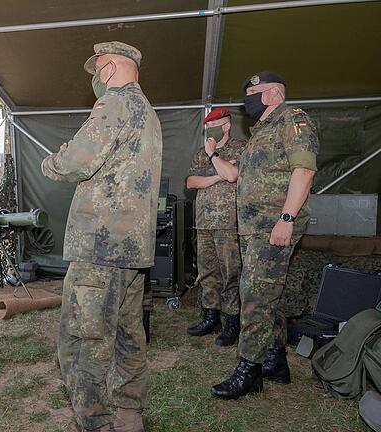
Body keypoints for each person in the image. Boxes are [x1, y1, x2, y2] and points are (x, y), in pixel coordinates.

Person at [41, 41, 162, 432]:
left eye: (97, 70)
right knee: (129, 336)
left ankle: (96, 425)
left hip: (100, 247)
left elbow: (76, 160)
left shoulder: (113, 104)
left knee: (82, 344)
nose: (95, 78)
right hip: (132, 250)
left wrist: (52, 161)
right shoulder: (148, 111)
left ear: (108, 68)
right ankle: (130, 416)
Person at [211, 71, 319, 400]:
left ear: (272, 94)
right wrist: (213, 153)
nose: (248, 100)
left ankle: (249, 371)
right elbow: (234, 174)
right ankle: (275, 361)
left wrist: (286, 218)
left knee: (255, 296)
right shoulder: (261, 132)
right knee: (264, 293)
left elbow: (305, 169)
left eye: (252, 93)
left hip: (273, 225)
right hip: (255, 229)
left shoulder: (292, 119)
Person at [185, 108, 245, 346]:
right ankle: (211, 317)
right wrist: (218, 174)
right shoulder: (202, 152)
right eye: (207, 126)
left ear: (227, 125)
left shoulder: (241, 147)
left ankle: (231, 321)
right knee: (207, 272)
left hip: (229, 224)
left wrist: (213, 157)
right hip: (204, 223)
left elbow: (233, 174)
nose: (210, 130)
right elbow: (191, 181)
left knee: (231, 273)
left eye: (215, 124)